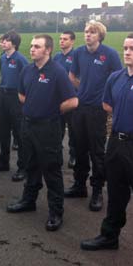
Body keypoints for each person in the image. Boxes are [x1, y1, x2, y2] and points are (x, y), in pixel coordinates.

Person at [80, 32, 133, 266]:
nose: (127, 52)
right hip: (116, 143)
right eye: (125, 48)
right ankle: (109, 236)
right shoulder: (115, 77)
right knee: (115, 195)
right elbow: (107, 104)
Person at [6, 34, 78, 232]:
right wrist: (33, 107)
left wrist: (51, 110)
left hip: (48, 128)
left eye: (37, 46)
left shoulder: (57, 71)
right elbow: (21, 95)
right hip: (28, 126)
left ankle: (56, 212)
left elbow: (72, 101)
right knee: (30, 166)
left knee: (51, 169)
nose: (32, 49)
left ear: (47, 50)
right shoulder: (27, 70)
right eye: (31, 46)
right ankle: (28, 201)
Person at [66, 21, 122, 212]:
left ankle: (97, 190)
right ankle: (79, 185)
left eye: (92, 32)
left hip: (98, 110)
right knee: (79, 147)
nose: (87, 35)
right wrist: (82, 90)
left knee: (97, 151)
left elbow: (118, 78)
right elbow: (72, 76)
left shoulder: (110, 54)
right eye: (86, 32)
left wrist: (106, 97)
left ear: (100, 35)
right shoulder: (79, 52)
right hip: (80, 107)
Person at [0, 31, 28, 182]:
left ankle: (23, 167)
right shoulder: (2, 58)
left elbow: (27, 79)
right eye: (2, 40)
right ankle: (3, 162)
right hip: (3, 96)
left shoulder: (21, 60)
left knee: (19, 133)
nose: (2, 43)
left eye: (6, 41)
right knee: (3, 131)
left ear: (14, 44)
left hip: (15, 97)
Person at [53, 31, 77, 168]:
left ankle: (74, 155)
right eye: (60, 39)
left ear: (72, 41)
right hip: (57, 99)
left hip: (71, 99)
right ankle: (56, 153)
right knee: (57, 128)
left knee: (73, 130)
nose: (61, 41)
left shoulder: (76, 56)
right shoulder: (56, 57)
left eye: (65, 39)